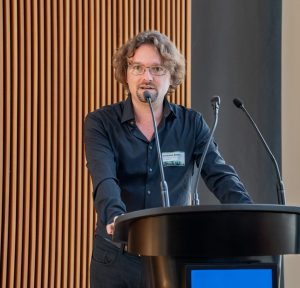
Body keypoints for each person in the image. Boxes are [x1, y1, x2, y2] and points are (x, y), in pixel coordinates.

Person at [84, 30, 252, 288]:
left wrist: (248, 213)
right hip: (116, 257)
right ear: (125, 72)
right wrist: (116, 216)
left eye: (157, 69)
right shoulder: (100, 123)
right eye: (137, 67)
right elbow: (104, 178)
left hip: (172, 255)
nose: (146, 77)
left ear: (172, 75)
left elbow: (220, 175)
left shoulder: (192, 124)